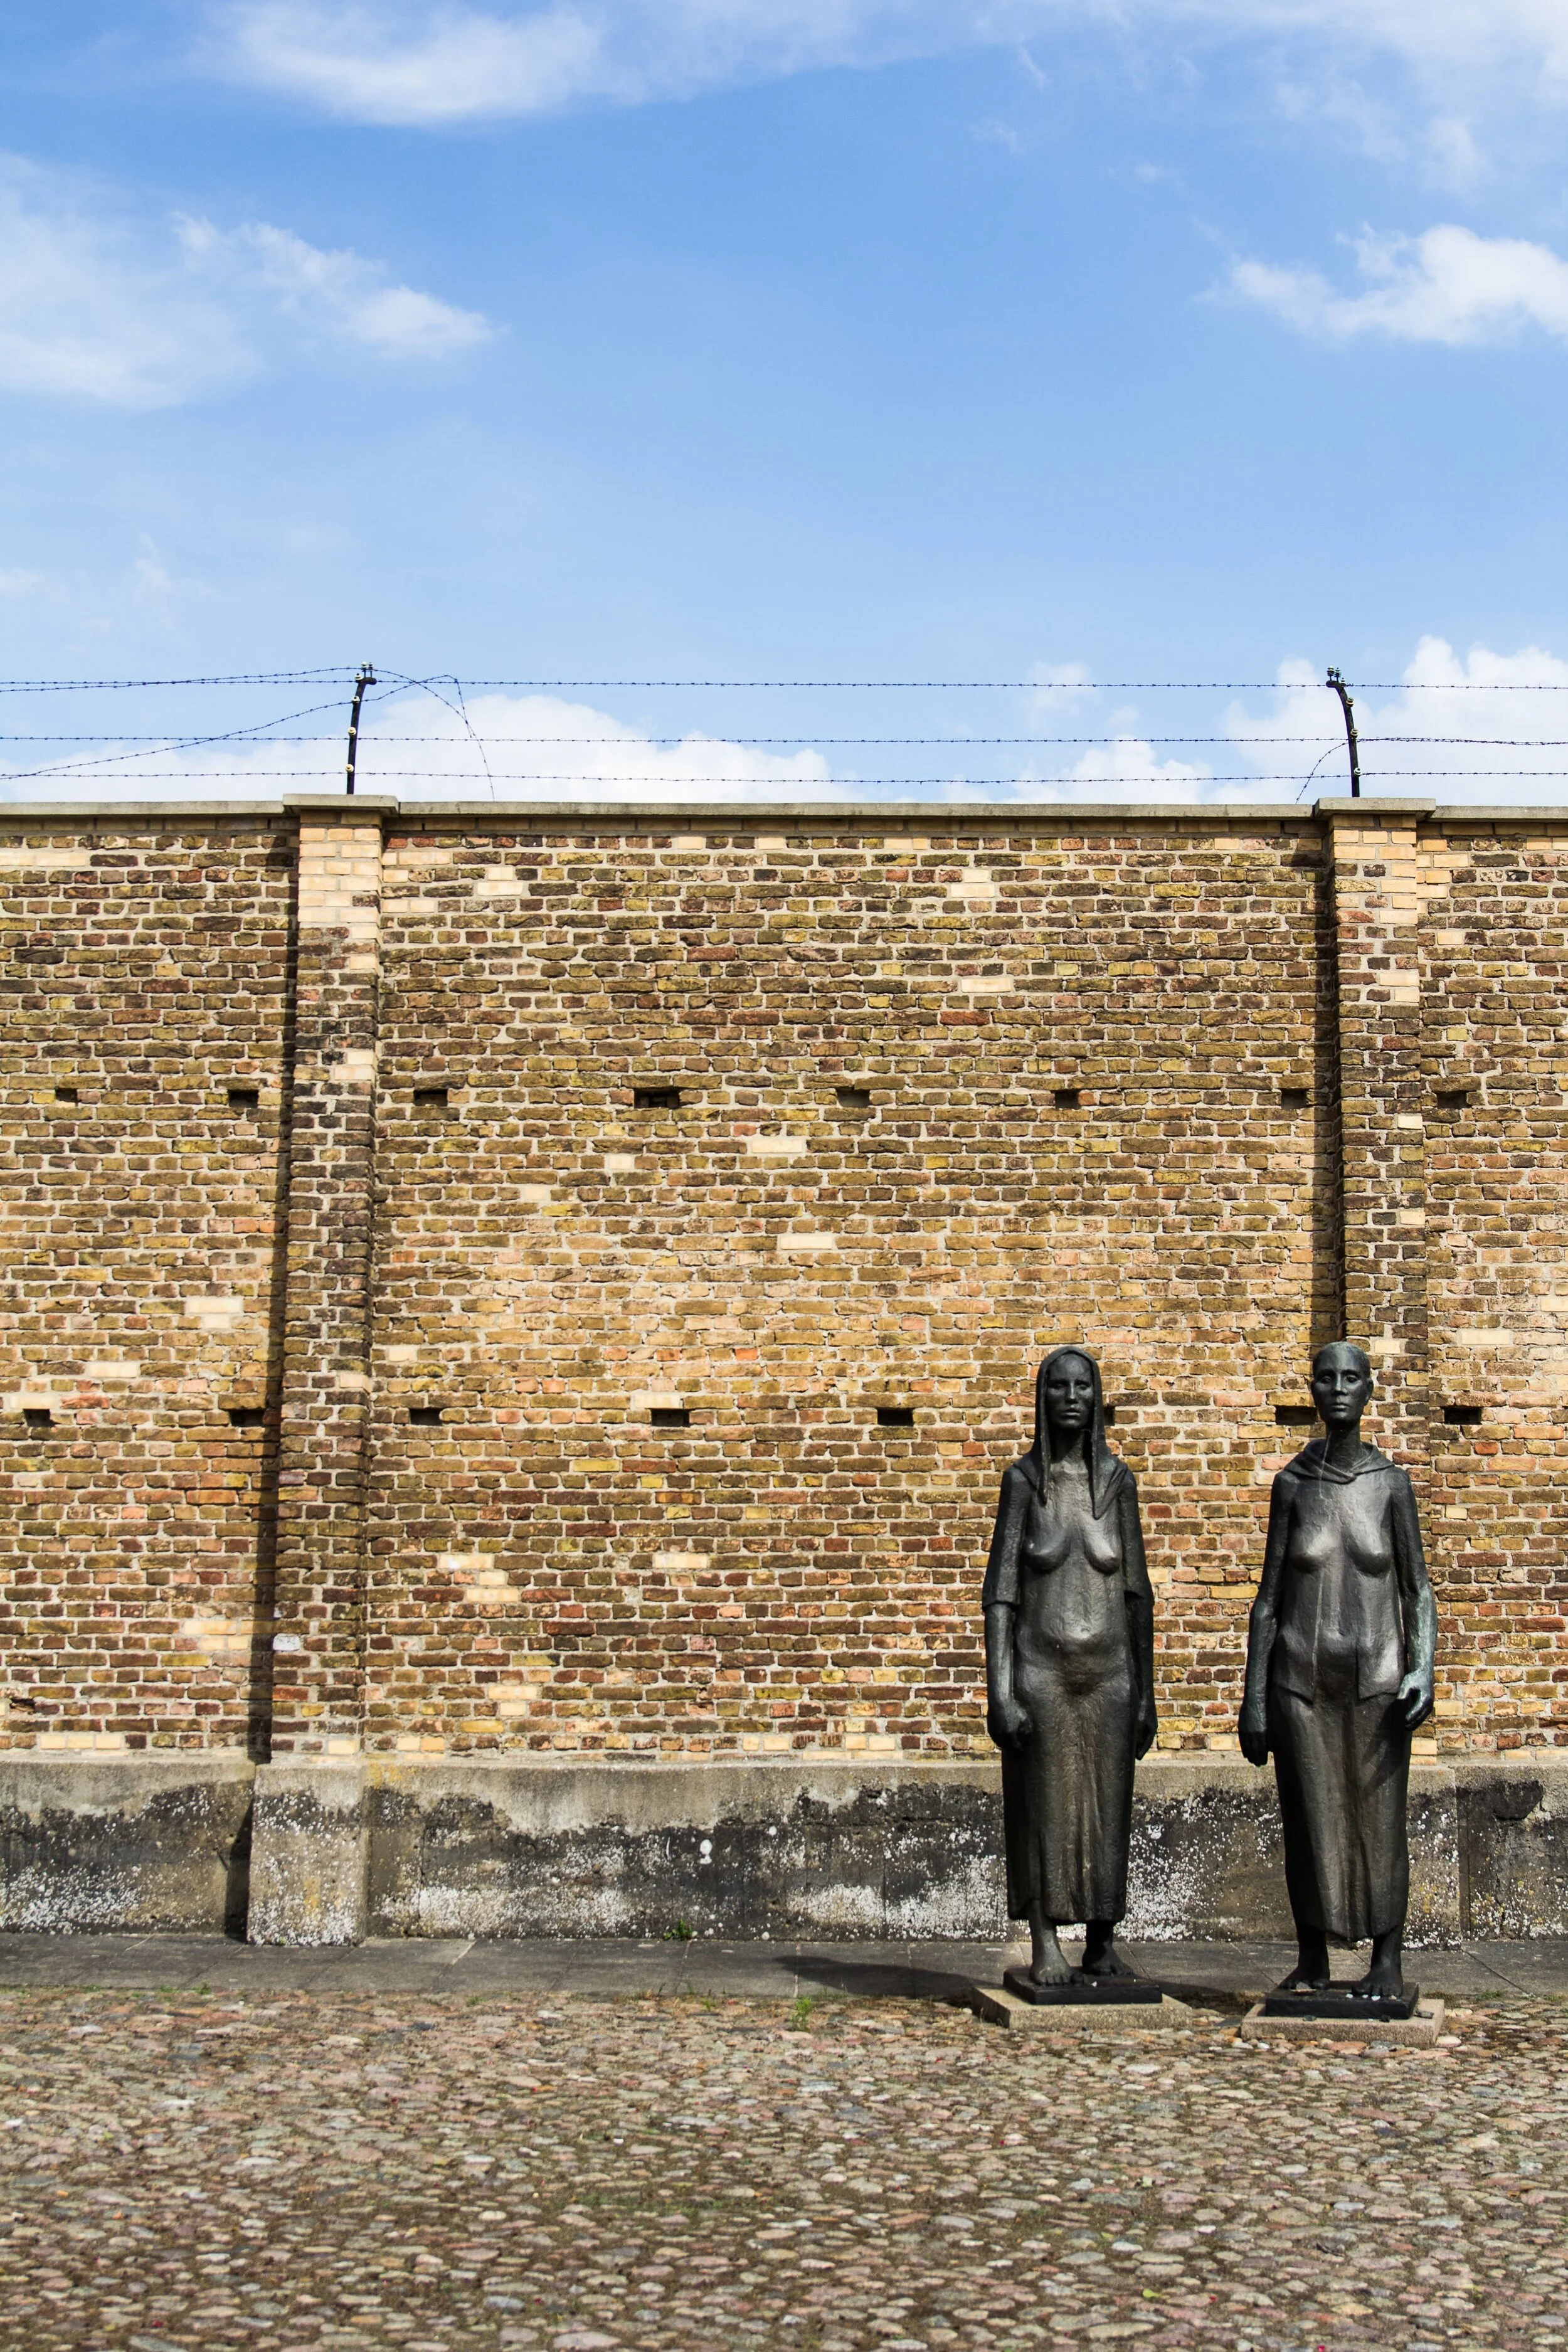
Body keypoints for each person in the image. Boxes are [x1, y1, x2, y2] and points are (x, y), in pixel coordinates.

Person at [1239, 1342, 1437, 2000]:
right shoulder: (1293, 1486)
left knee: (1379, 1821)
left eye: (1351, 1378)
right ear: (1313, 1392)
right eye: (1326, 1379)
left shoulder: (1391, 1486)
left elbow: (1417, 1591)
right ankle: (1312, 1959)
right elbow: (1267, 1599)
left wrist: (1423, 1669)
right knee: (1308, 1819)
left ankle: (1387, 1960)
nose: (1338, 1389)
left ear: (1368, 1389)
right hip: (1301, 1680)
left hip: (1378, 1680)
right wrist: (1254, 1700)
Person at [982, 1347, 1157, 1985]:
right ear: (1042, 1397)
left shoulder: (1117, 1485)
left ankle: (1102, 1938)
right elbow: (1000, 1592)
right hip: (1042, 1673)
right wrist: (1000, 1691)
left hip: (1110, 1673)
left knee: (1108, 1807)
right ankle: (1045, 1937)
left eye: (1083, 1386)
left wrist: (1147, 1693)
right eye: (1058, 1386)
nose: (1071, 1397)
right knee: (1044, 1808)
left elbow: (1137, 1592)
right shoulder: (1023, 1483)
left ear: (1096, 1396)